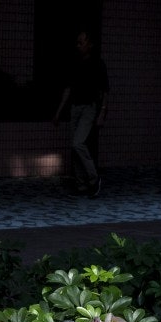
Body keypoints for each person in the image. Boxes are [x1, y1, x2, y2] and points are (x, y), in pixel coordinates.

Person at [50, 31, 108, 197]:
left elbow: (105, 91)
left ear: (90, 44)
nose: (78, 45)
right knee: (74, 146)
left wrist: (102, 112)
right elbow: (68, 89)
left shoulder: (98, 64)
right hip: (75, 107)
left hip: (89, 107)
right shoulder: (75, 63)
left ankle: (93, 178)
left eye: (81, 42)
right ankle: (81, 184)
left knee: (78, 143)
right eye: (77, 42)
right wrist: (58, 112)